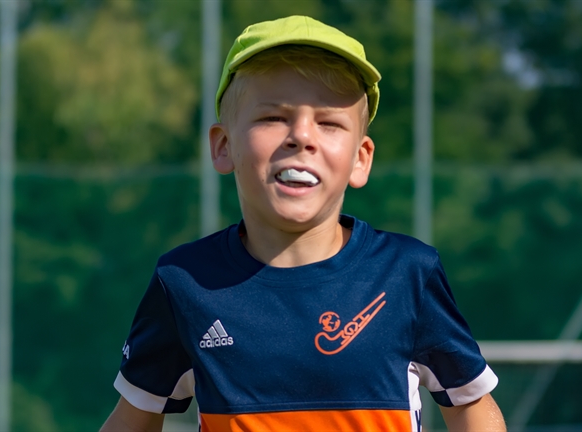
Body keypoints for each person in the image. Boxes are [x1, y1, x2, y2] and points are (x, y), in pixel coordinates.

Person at [101, 15, 506, 432]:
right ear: (224, 146)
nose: (302, 136)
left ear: (360, 159)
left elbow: (470, 407)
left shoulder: (408, 273)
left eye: (328, 123)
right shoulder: (183, 283)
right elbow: (133, 420)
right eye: (273, 118)